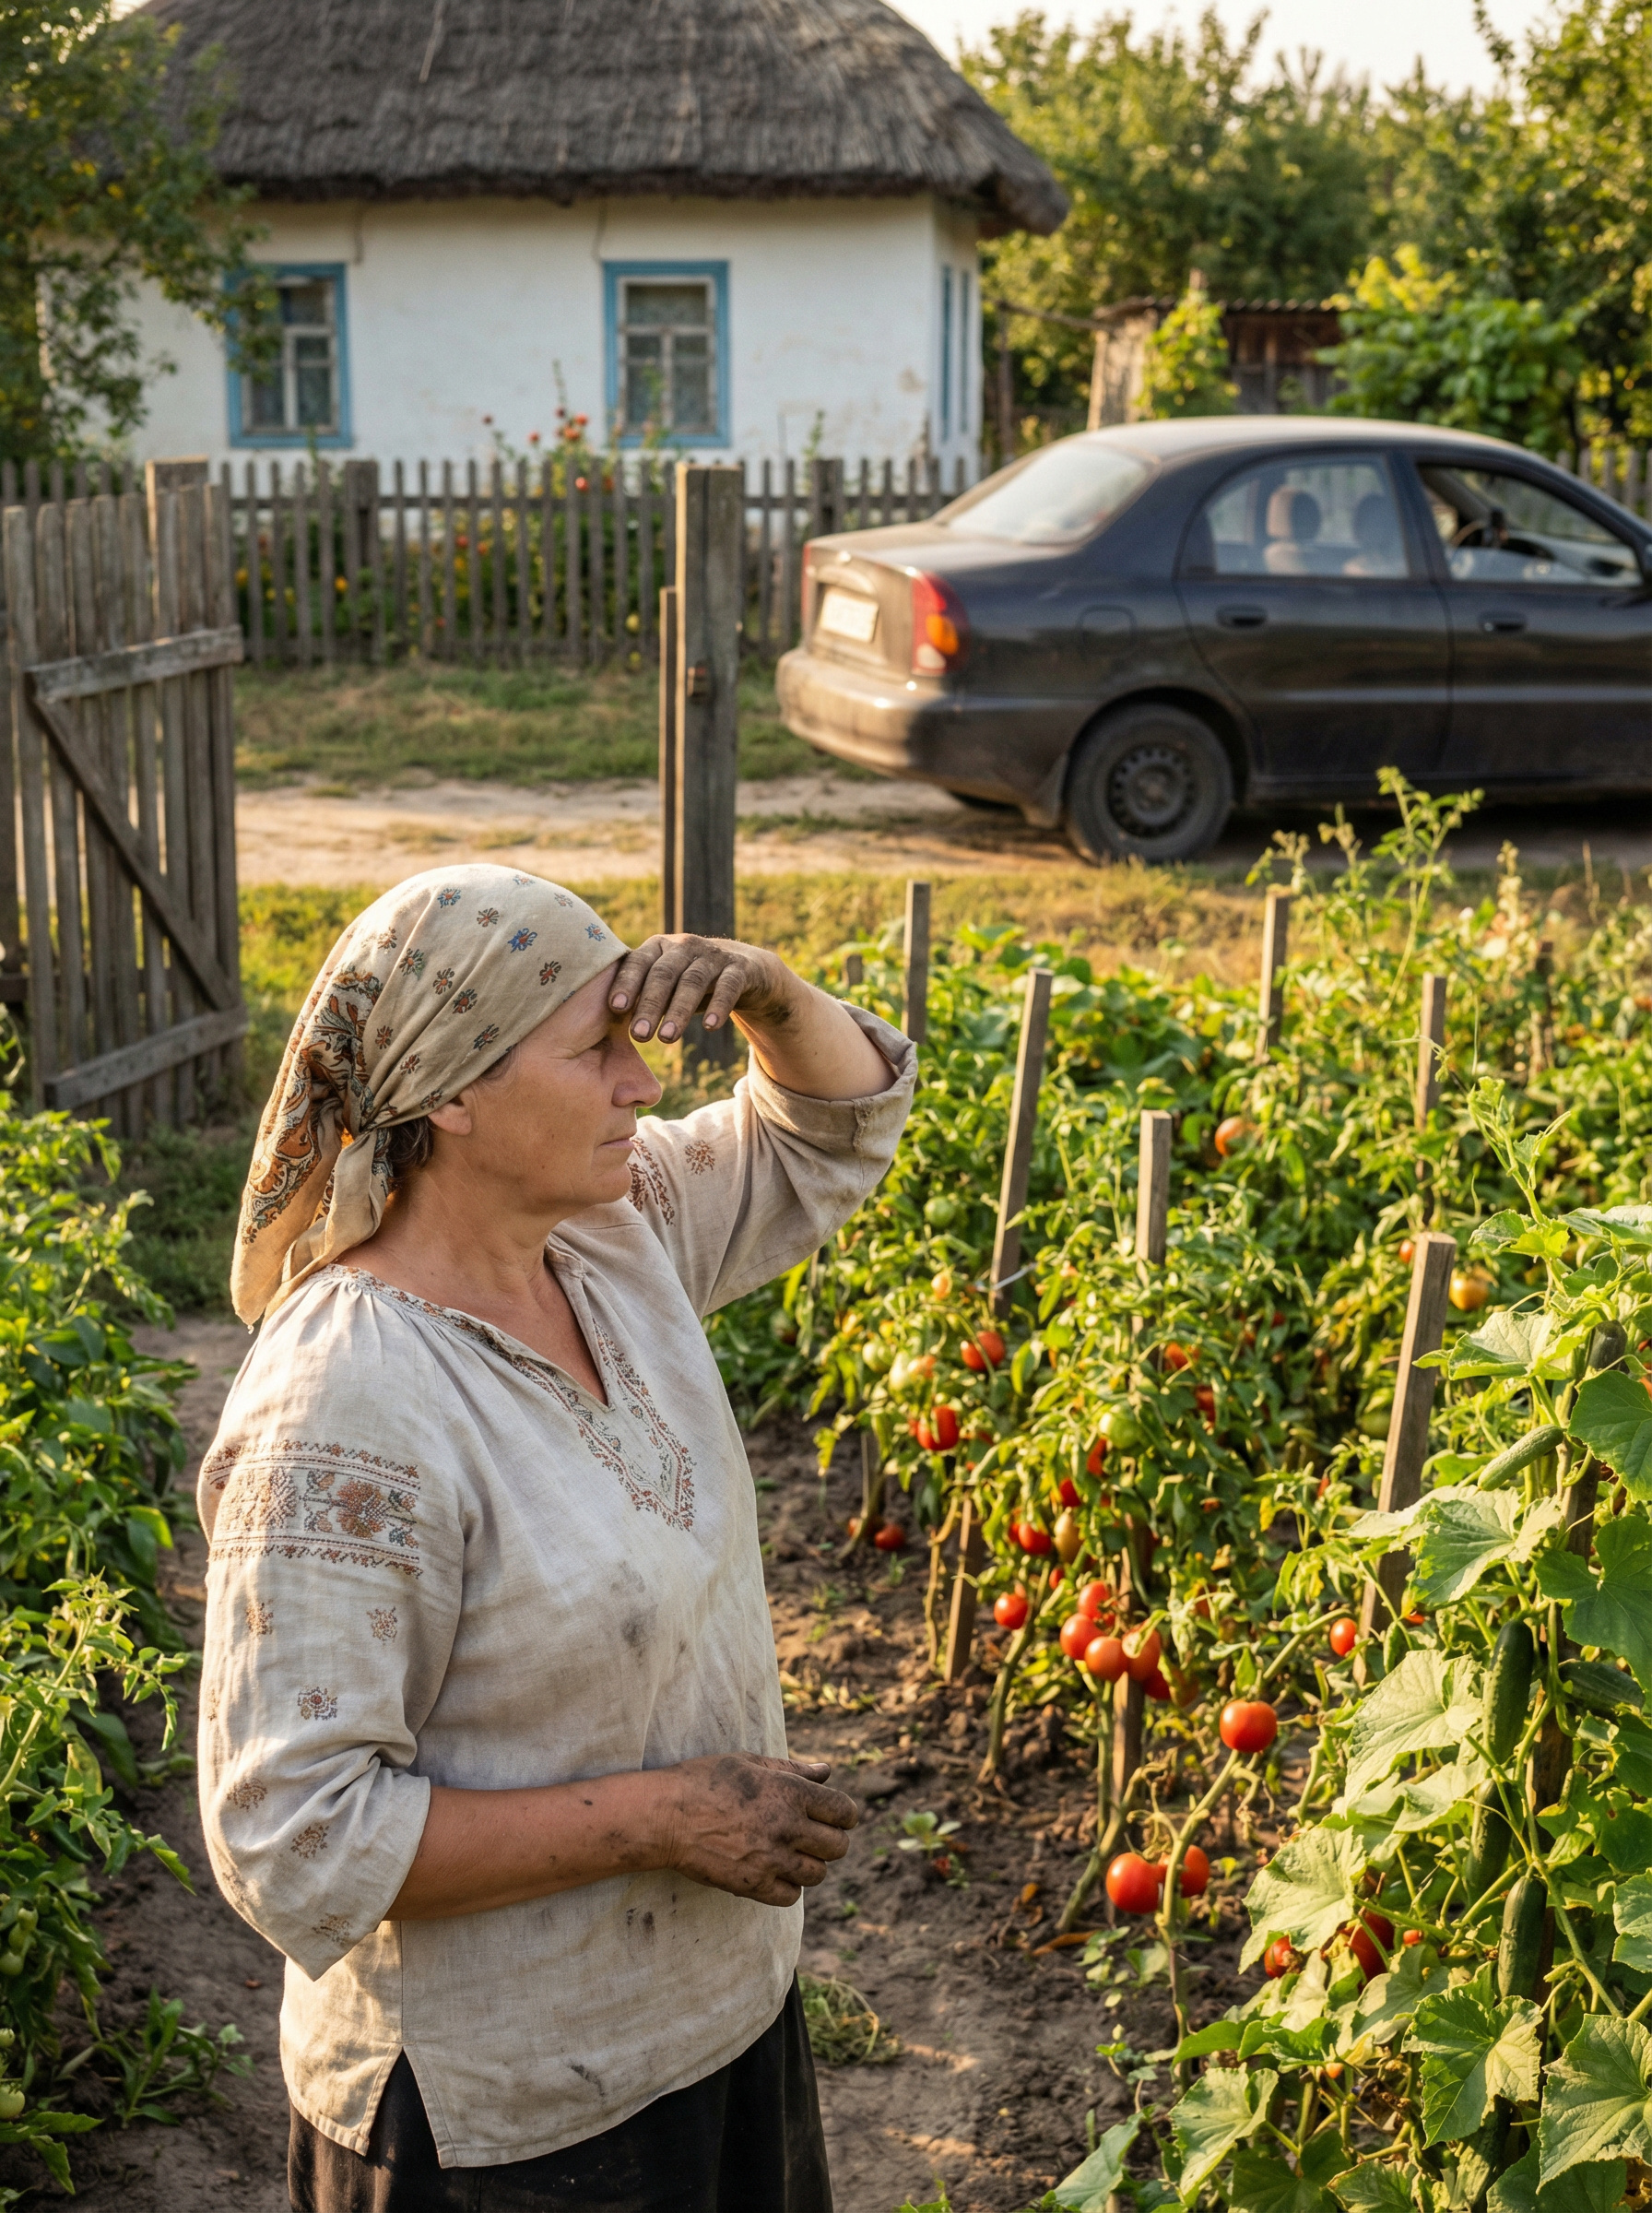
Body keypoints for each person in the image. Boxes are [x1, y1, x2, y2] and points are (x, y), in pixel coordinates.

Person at [195, 864, 915, 2212]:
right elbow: (293, 1835)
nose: (643, 1085)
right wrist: (665, 1818)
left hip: (710, 2028)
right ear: (454, 1094)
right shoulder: (347, 1404)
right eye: (599, 1049)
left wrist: (766, 991)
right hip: (503, 2123)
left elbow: (831, 1126)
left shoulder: (609, 1236)